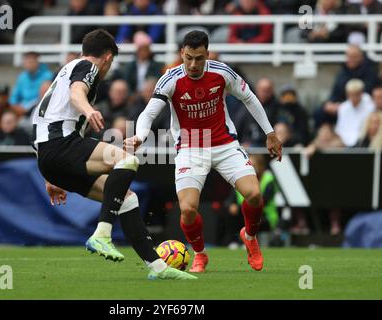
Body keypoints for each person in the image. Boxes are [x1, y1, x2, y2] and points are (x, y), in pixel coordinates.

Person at [32, 29, 195, 280]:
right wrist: (89, 109)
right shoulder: (88, 67)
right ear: (107, 58)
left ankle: (158, 267)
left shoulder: (64, 73)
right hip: (61, 144)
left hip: (48, 155)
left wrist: (50, 176)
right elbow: (78, 93)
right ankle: (102, 234)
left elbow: (39, 123)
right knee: (127, 160)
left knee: (127, 198)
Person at [124, 30, 282, 273]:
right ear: (182, 54)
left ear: (207, 54)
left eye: (199, 58)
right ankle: (199, 254)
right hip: (190, 147)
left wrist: (270, 133)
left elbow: (249, 98)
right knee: (187, 209)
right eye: (188, 58)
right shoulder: (170, 79)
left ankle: (249, 236)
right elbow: (149, 112)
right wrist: (140, 136)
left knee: (254, 196)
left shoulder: (221, 72)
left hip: (224, 144)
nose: (193, 64)